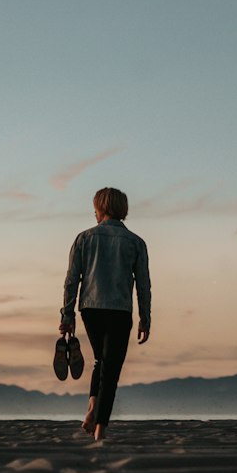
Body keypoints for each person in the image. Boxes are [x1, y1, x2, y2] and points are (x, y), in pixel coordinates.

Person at [60, 187, 151, 442]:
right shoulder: (136, 242)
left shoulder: (83, 238)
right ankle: (101, 427)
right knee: (111, 368)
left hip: (90, 308)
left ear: (100, 210)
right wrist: (145, 317)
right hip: (120, 310)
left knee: (101, 361)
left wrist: (67, 316)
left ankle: (92, 408)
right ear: (123, 210)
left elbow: (71, 281)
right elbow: (144, 284)